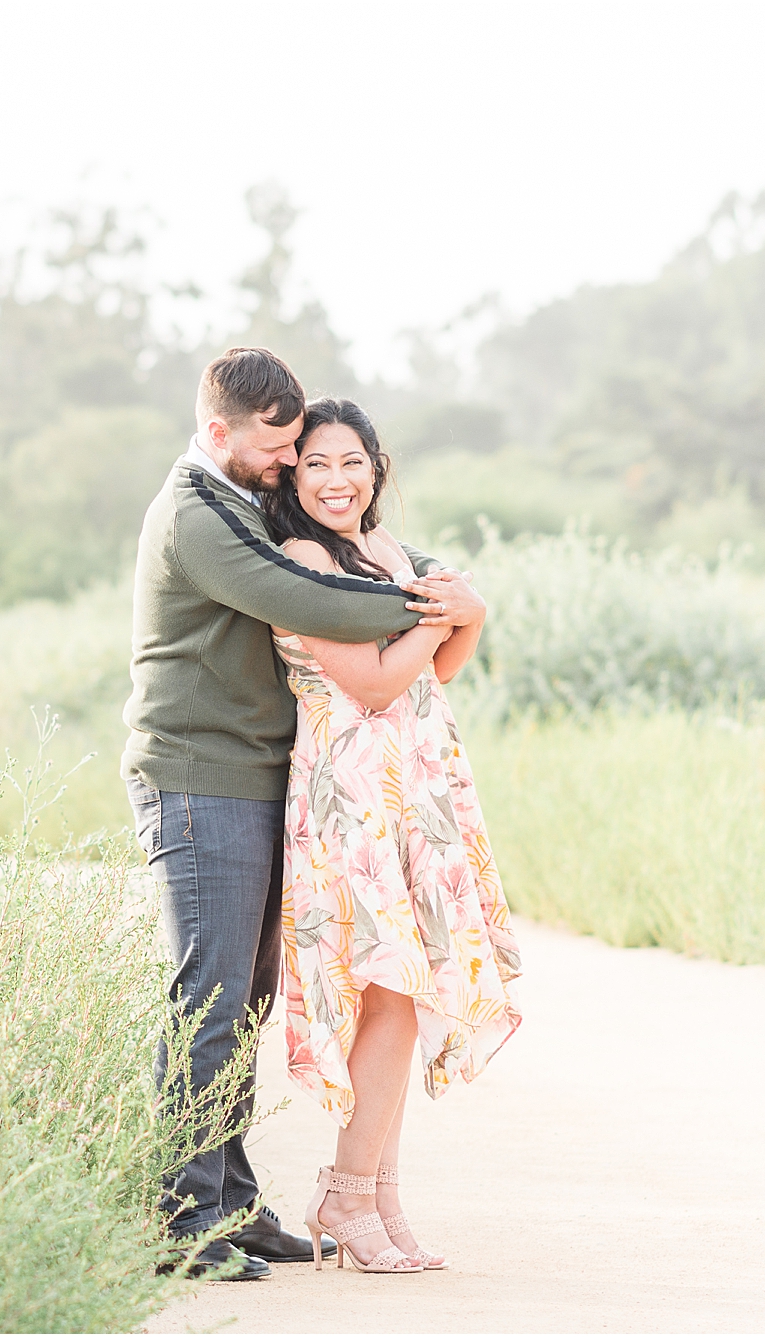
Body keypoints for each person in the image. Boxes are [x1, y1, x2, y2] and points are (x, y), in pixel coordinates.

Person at [121, 348, 484, 1281]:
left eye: (305, 446)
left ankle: (231, 1203)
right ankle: (179, 1220)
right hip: (200, 774)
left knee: (243, 999)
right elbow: (304, 593)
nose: (292, 462)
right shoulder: (195, 516)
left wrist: (437, 582)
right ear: (218, 433)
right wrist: (437, 606)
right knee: (207, 994)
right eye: (281, 447)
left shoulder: (245, 499)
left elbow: (361, 549)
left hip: (260, 776)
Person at [265, 397, 522, 1274]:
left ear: (377, 467)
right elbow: (371, 683)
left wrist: (469, 618)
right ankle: (346, 1189)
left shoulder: (385, 552)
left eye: (351, 462)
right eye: (316, 466)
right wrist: (440, 615)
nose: (336, 480)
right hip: (351, 788)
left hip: (415, 783)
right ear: (293, 478)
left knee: (401, 996)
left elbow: (433, 673)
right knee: (386, 987)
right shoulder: (299, 557)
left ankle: (377, 1199)